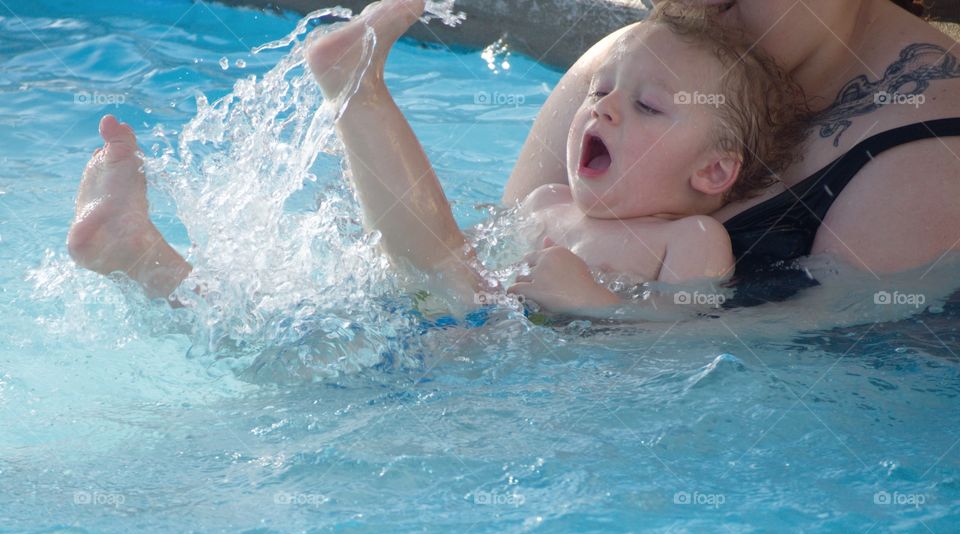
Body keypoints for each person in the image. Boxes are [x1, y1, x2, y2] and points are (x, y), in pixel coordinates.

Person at [67, 0, 804, 318]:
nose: (602, 108)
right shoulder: (548, 206)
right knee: (313, 320)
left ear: (714, 172)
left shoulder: (691, 241)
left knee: (306, 359)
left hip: (501, 365)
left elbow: (687, 339)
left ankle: (141, 258)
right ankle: (141, 252)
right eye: (601, 89)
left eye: (645, 107)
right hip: (452, 328)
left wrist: (594, 303)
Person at [504, 0, 960, 313]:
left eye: (649, 106)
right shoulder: (623, 67)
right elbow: (470, 275)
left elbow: (826, 364)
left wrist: (598, 309)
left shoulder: (934, 155)